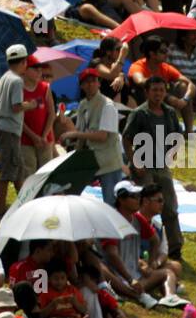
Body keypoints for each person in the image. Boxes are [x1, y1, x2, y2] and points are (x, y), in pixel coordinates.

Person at [123, 76, 186, 261]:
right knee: (143, 207)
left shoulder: (170, 113)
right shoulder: (139, 114)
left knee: (169, 207)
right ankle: (139, 245)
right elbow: (127, 139)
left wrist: (173, 152)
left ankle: (175, 248)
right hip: (143, 166)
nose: (158, 94)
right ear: (147, 92)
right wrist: (135, 161)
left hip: (162, 166)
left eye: (161, 90)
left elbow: (178, 136)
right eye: (154, 90)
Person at [0, 44, 39, 217]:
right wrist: (31, 105)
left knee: (17, 169)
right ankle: (0, 209)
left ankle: (25, 204)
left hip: (1, 127)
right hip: (9, 128)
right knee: (7, 171)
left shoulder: (5, 77)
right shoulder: (17, 81)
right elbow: (16, 106)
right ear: (24, 62)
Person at [62, 69, 126, 201]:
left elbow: (102, 136)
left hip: (109, 161)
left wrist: (74, 134)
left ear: (99, 84)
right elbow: (81, 132)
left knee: (112, 203)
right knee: (71, 195)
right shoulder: (83, 104)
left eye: (93, 81)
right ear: (81, 86)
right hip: (90, 158)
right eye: (86, 82)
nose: (90, 84)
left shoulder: (107, 105)